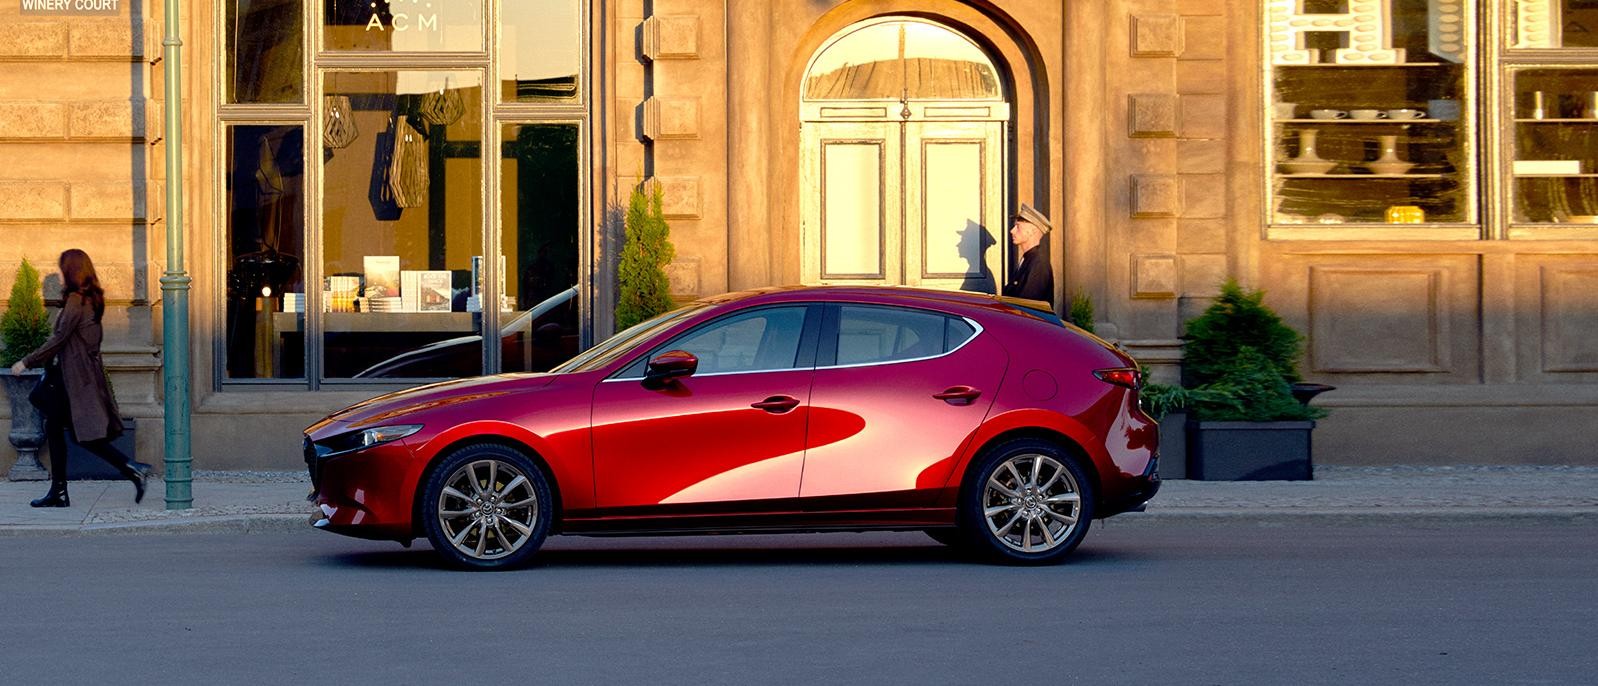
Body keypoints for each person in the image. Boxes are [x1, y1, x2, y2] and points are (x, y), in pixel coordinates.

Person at [9, 249, 148, 507]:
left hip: (72, 379)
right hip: (79, 376)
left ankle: (129, 468)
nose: (60, 277)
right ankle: (60, 492)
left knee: (79, 434)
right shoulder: (91, 299)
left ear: (71, 271)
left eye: (63, 270)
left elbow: (59, 339)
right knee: (58, 428)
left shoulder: (76, 300)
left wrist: (26, 361)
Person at [1003, 202, 1055, 306]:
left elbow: (1026, 306)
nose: (1012, 231)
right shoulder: (1028, 260)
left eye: (1018, 226)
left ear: (1032, 231)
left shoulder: (1038, 263)